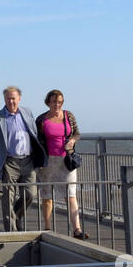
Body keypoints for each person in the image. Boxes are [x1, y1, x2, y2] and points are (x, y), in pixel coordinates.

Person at [35, 89, 88, 238]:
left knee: (70, 194)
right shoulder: (41, 120)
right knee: (47, 196)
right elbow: (37, 141)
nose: (56, 105)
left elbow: (77, 133)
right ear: (48, 102)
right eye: (53, 102)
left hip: (66, 161)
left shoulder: (68, 116)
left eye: (59, 102)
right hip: (48, 162)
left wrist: (72, 140)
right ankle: (47, 227)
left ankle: (77, 229)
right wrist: (38, 160)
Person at [0, 87, 46, 232]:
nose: (11, 101)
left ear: (19, 98)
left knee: (31, 194)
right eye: (8, 98)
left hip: (28, 160)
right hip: (9, 161)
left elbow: (34, 133)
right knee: (7, 198)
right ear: (4, 99)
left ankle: (17, 216)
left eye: (13, 98)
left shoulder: (27, 112)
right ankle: (10, 231)